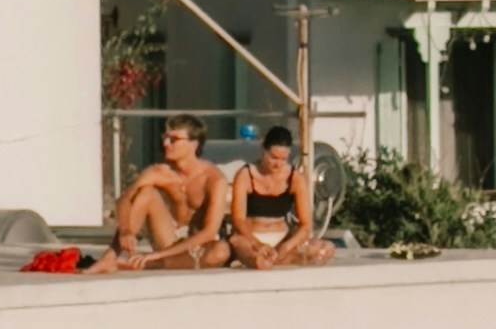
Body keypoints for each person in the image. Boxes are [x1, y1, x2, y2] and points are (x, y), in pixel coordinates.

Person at [108, 115, 229, 270]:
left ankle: (149, 263)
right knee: (146, 193)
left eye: (174, 139)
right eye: (165, 138)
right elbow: (124, 199)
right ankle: (112, 256)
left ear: (193, 144)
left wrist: (157, 255)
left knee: (220, 251)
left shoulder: (214, 179)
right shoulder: (158, 172)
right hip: (168, 238)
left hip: (196, 245)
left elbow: (209, 231)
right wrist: (126, 230)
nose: (166, 143)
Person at [222, 124, 332, 269]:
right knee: (241, 245)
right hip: (252, 237)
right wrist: (258, 244)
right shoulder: (245, 175)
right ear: (263, 151)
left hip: (282, 237)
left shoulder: (295, 178)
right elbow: (238, 219)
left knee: (326, 249)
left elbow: (306, 224)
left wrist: (286, 246)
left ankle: (275, 258)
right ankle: (261, 258)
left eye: (283, 159)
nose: (278, 164)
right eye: (273, 158)